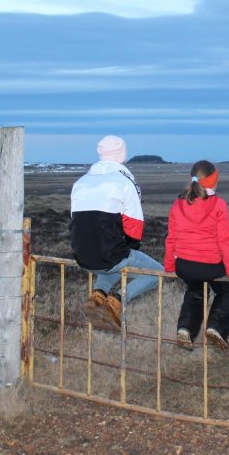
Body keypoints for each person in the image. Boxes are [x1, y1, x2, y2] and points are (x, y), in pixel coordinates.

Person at [70, 135, 163, 331]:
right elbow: (135, 226)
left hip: (82, 255)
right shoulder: (124, 182)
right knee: (157, 272)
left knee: (109, 261)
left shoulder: (80, 182)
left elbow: (76, 222)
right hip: (110, 254)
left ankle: (97, 297)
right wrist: (130, 248)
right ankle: (116, 301)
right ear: (123, 154)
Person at [164, 160, 229, 351]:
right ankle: (216, 327)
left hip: (184, 266)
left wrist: (169, 266)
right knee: (228, 291)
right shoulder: (219, 204)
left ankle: (185, 328)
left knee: (196, 290)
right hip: (211, 265)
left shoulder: (178, 203)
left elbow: (171, 237)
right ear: (214, 180)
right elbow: (225, 240)